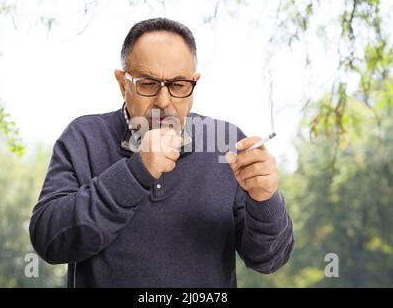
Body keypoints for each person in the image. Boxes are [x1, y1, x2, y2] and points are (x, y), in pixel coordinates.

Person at [29, 17, 294, 288]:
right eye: (147, 83)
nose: (163, 101)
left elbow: (269, 259)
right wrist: (136, 172)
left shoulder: (226, 142)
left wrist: (265, 200)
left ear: (193, 84)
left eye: (178, 85)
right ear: (123, 84)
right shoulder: (84, 137)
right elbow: (49, 240)